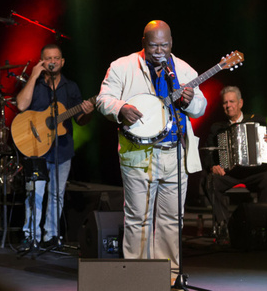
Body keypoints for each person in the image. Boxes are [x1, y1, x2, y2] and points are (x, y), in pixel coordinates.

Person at [96, 20, 205, 275]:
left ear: (171, 44)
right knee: (138, 219)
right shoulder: (122, 66)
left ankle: (168, 275)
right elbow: (103, 99)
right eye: (154, 45)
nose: (159, 51)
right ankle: (139, 276)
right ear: (143, 43)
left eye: (164, 45)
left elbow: (201, 106)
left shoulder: (183, 69)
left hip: (175, 155)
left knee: (172, 220)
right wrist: (120, 108)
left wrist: (190, 101)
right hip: (138, 155)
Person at [15, 43, 94, 250]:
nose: (52, 62)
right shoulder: (36, 83)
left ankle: (52, 235)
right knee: (35, 192)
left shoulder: (71, 87)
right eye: (48, 58)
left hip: (62, 148)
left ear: (62, 62)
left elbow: (80, 120)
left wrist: (88, 111)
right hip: (35, 148)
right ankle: (31, 235)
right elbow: (21, 105)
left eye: (56, 58)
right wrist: (33, 76)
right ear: (42, 61)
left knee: (56, 194)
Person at [204, 86, 267, 243]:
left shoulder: (258, 121)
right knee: (211, 181)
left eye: (232, 101)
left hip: (254, 172)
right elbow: (208, 152)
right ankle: (224, 226)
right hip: (230, 174)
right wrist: (213, 166)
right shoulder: (217, 128)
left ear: (240, 103)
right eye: (225, 103)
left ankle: (261, 225)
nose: (228, 105)